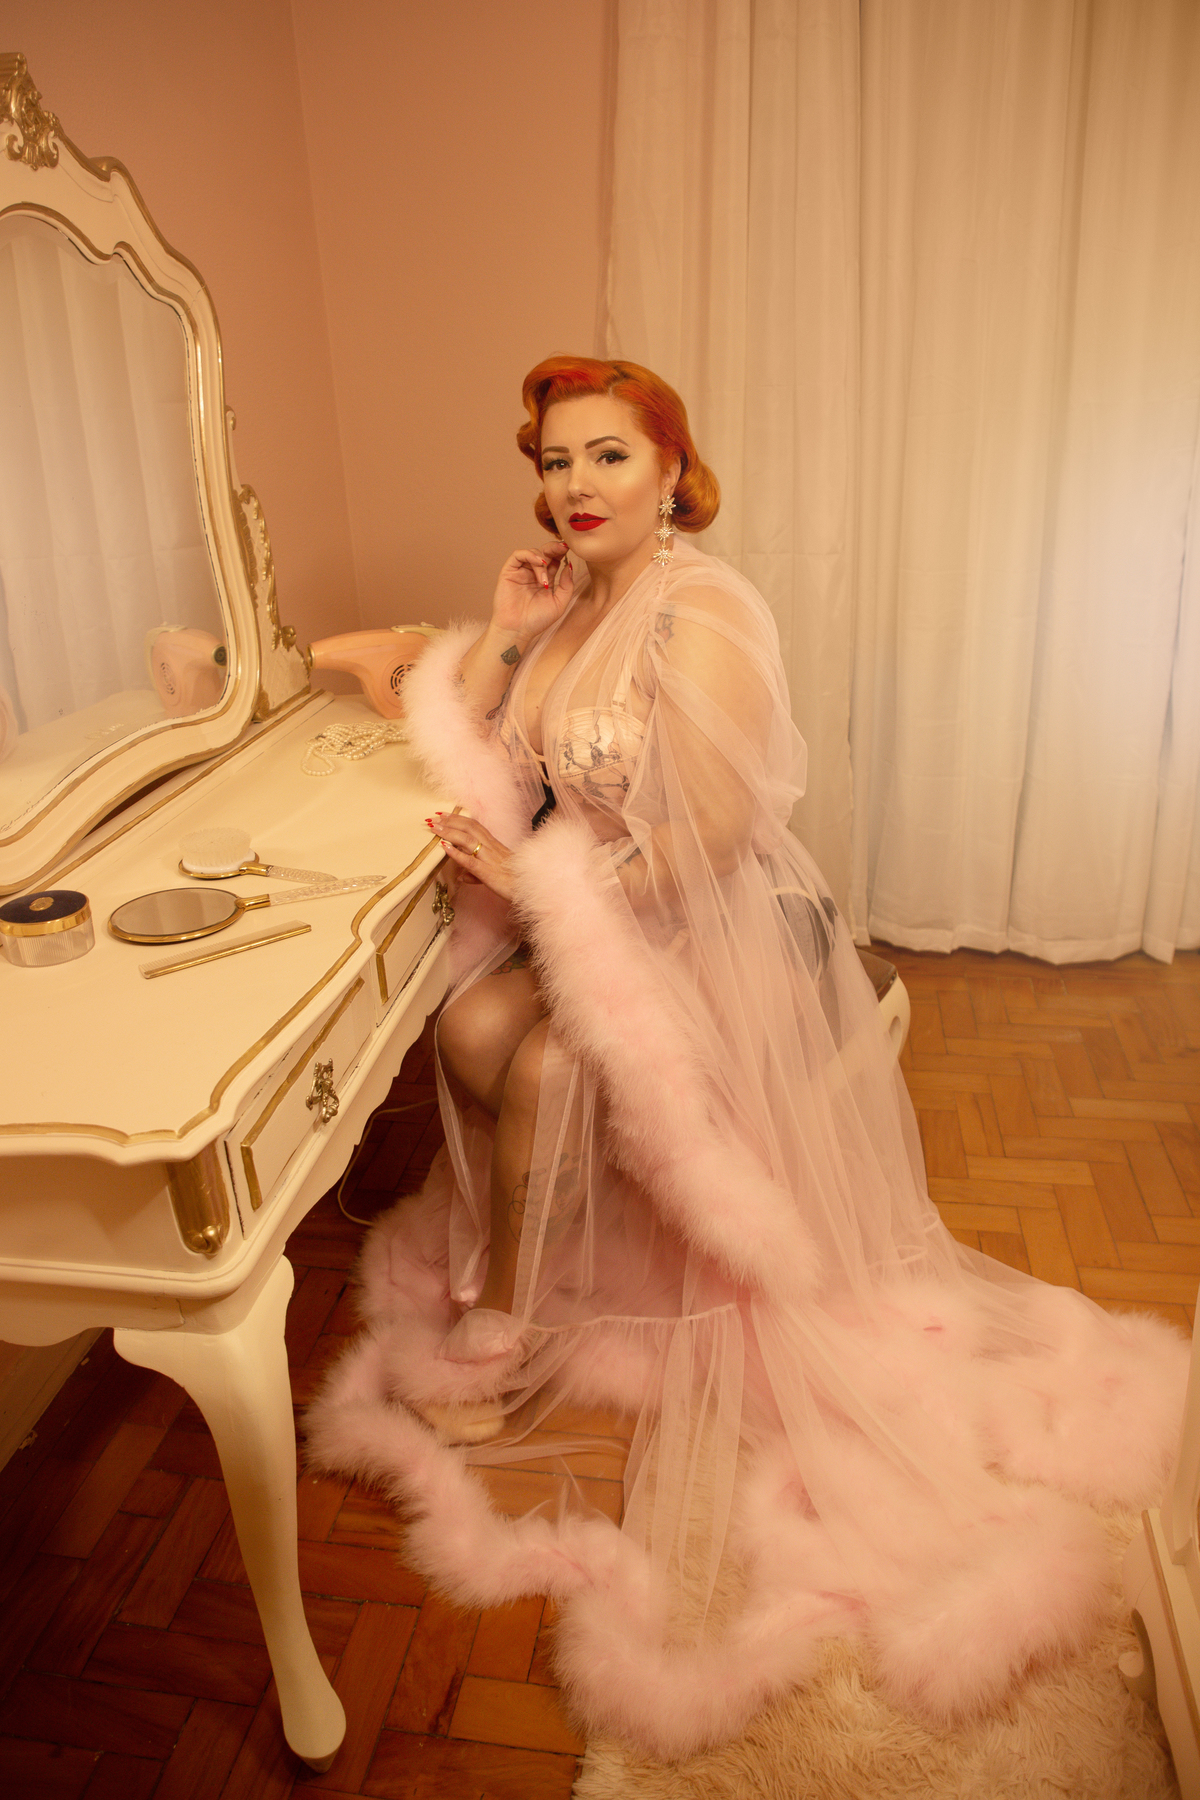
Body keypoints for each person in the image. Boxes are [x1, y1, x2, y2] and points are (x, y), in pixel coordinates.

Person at [309, 355, 1188, 1760]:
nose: (576, 484)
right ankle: (557, 1233)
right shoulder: (568, 602)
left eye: (607, 455)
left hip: (714, 928)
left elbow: (714, 831)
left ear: (671, 469)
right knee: (467, 1024)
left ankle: (512, 1330)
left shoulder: (705, 607)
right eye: (554, 459)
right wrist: (508, 634)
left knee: (544, 1071)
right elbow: (491, 755)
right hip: (594, 915)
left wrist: (539, 882)